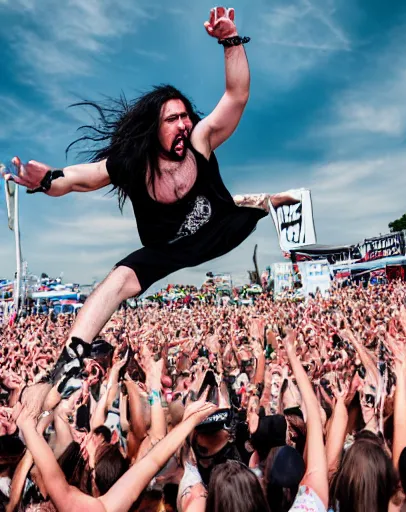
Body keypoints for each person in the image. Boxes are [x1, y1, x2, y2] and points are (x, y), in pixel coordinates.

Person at [0, 6, 300, 373]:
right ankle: (71, 360)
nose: (184, 124)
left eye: (186, 116)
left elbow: (236, 96)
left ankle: (262, 201)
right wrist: (47, 180)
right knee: (120, 277)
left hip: (220, 227)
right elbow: (82, 177)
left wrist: (230, 41)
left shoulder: (200, 140)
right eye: (173, 119)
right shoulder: (132, 165)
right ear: (153, 128)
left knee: (242, 207)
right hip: (167, 248)